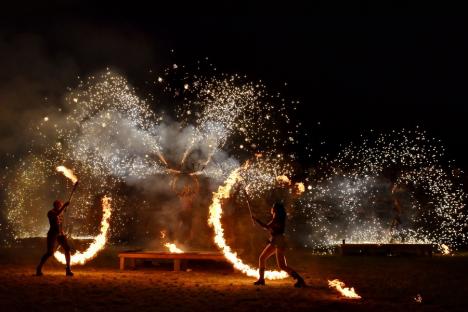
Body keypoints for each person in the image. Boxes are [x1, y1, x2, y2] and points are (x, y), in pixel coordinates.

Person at [252, 201, 306, 288]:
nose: (271, 208)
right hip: (275, 241)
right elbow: (269, 228)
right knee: (262, 258)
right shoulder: (277, 217)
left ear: (275, 209)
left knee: (282, 266)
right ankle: (261, 280)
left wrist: (256, 220)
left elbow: (267, 227)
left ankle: (300, 280)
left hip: (279, 242)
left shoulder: (277, 218)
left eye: (273, 207)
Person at [36, 200, 74, 276]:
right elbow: (57, 214)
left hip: (60, 234)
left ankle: (68, 269)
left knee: (67, 249)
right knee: (49, 252)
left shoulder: (61, 212)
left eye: (61, 205)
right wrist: (64, 206)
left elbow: (60, 223)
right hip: (52, 234)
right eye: (60, 205)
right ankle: (39, 268)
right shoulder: (50, 213)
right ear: (56, 205)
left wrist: (62, 232)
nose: (61, 205)